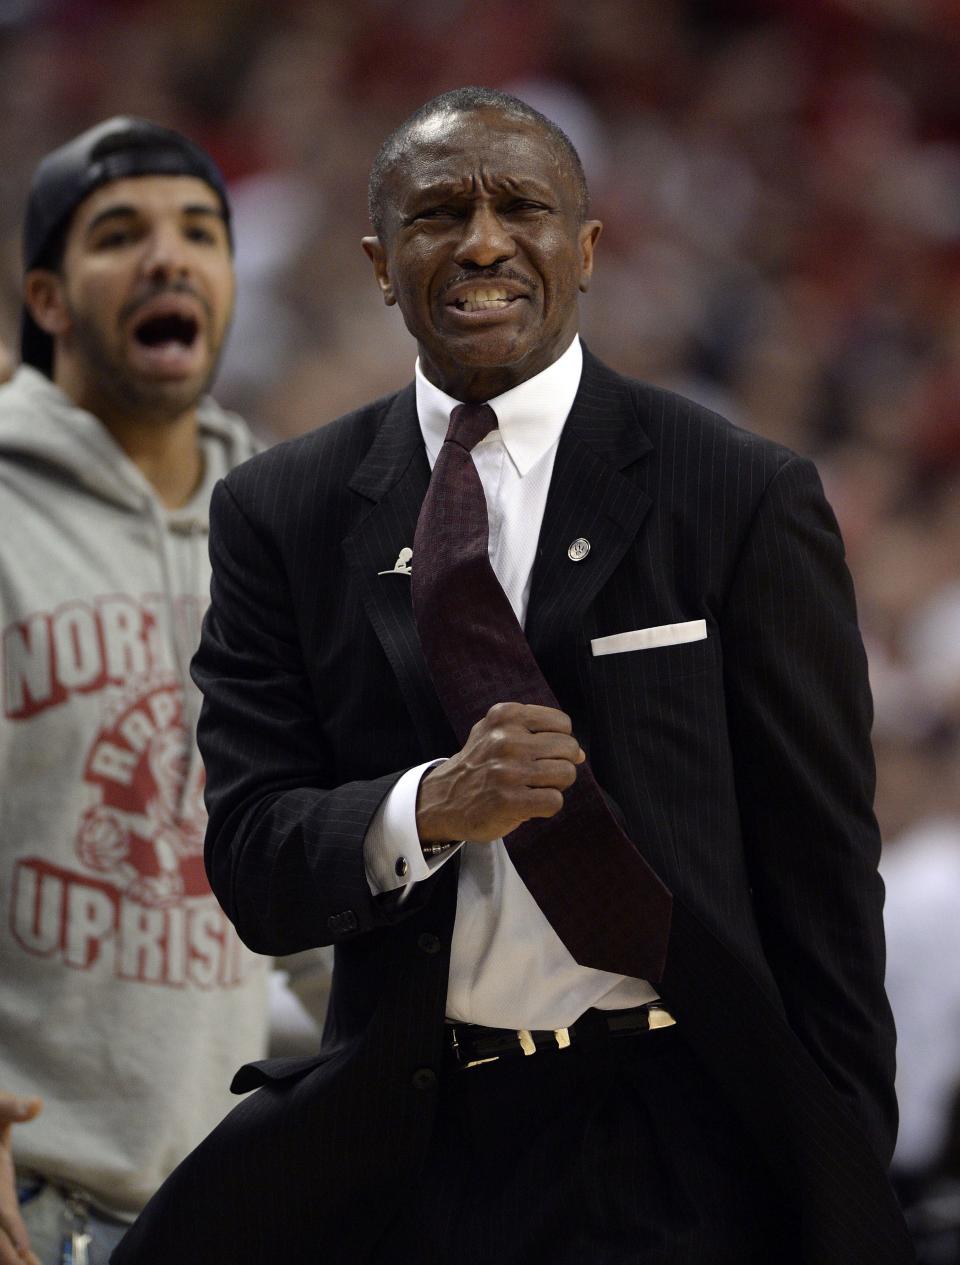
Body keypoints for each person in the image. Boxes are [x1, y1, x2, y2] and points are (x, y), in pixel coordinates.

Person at [112, 88, 914, 1264]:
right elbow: (253, 860)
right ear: (383, 265)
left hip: (679, 1131)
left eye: (520, 206)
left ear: (584, 250)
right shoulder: (278, 511)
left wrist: (845, 1178)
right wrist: (427, 807)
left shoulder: (741, 491)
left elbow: (826, 874)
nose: (483, 238)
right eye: (440, 211)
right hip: (410, 1141)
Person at [0, 117, 273, 1265]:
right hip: (28, 1191)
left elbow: (314, 892)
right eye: (121, 233)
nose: (169, 256)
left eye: (200, 231)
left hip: (224, 1201)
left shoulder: (284, 536)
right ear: (49, 301)